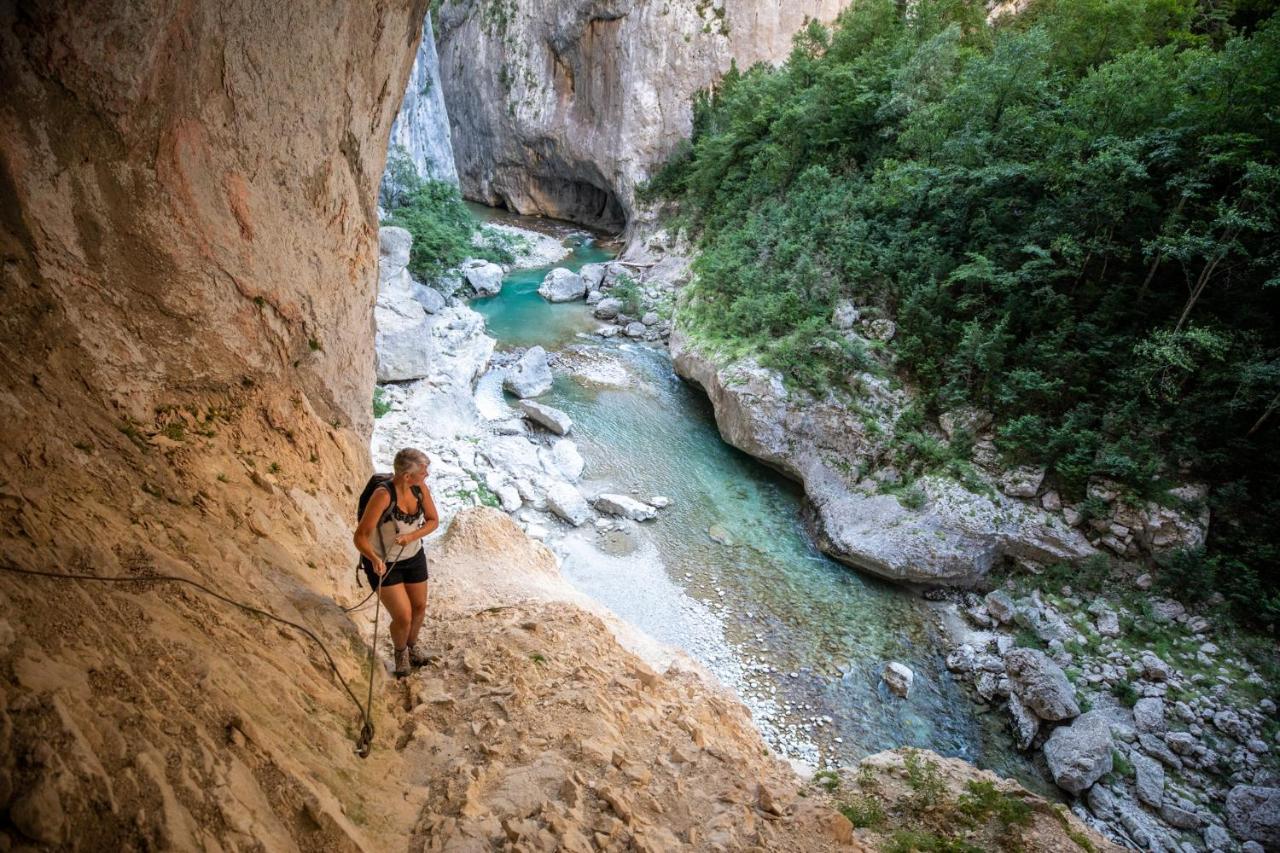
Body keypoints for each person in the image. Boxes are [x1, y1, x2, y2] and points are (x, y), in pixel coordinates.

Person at [353, 447, 439, 677]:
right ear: (407, 476)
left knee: (419, 607)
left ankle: (411, 646)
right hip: (384, 562)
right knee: (403, 615)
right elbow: (360, 536)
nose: (427, 475)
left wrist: (411, 536)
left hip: (413, 555)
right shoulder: (383, 495)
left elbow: (433, 520)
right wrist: (372, 558)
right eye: (423, 471)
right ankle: (400, 652)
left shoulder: (419, 488)